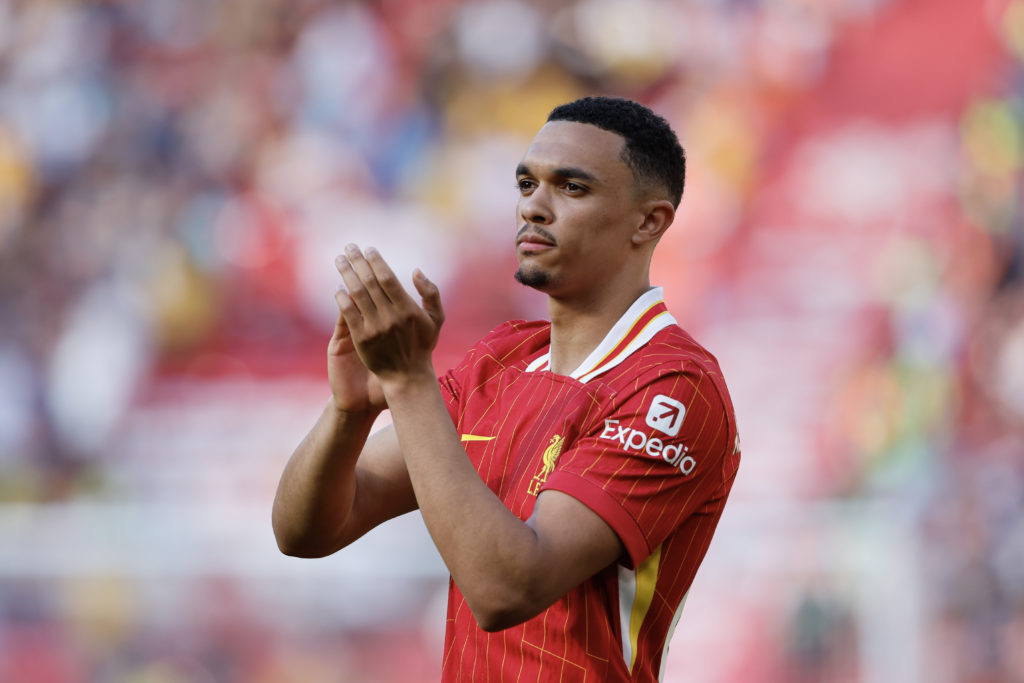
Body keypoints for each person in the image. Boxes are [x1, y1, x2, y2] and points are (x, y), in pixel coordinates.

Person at [272, 96, 741, 682]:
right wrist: (348, 414)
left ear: (648, 221)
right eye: (526, 183)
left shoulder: (674, 387)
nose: (533, 208)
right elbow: (304, 532)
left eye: (571, 188)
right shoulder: (501, 358)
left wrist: (411, 383)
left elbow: (506, 589)